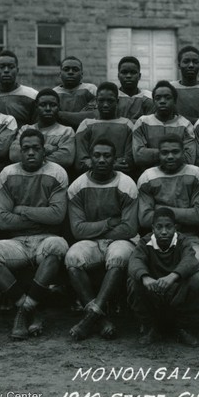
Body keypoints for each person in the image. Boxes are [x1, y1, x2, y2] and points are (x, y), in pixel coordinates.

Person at [0, 129, 70, 339]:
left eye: (36, 148)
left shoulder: (56, 172)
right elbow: (3, 220)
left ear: (44, 151)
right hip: (18, 241)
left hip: (46, 238)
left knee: (57, 246)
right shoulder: (8, 173)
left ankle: (22, 312)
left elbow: (56, 216)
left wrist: (21, 209)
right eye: (26, 149)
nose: (31, 153)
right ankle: (28, 307)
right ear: (20, 151)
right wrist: (41, 214)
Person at [65, 139, 139, 340]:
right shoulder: (77, 186)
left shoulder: (126, 184)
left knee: (118, 256)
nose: (101, 160)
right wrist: (108, 223)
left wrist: (95, 229)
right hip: (93, 241)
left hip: (121, 240)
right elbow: (78, 230)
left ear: (115, 159)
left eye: (107, 156)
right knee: (72, 258)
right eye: (96, 155)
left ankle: (91, 317)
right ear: (89, 158)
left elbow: (129, 227)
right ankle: (101, 318)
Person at [137, 134, 199, 288]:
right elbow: (145, 219)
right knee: (140, 273)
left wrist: (161, 210)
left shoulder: (195, 173)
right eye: (165, 153)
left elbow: (198, 216)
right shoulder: (147, 176)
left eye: (175, 152)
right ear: (158, 153)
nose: (170, 156)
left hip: (189, 237)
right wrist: (185, 213)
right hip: (155, 238)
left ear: (184, 152)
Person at [128, 208, 199, 346]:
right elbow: (135, 261)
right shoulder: (145, 242)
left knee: (196, 279)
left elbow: (191, 260)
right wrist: (145, 278)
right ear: (153, 228)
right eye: (159, 227)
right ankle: (150, 327)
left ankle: (182, 327)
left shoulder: (182, 241)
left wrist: (172, 276)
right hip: (154, 292)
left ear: (175, 227)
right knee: (134, 280)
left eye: (168, 227)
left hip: (175, 291)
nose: (164, 231)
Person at [132, 80, 196, 172]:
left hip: (179, 175)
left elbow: (189, 158)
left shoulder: (185, 124)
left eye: (167, 97)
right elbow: (138, 156)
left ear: (174, 101)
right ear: (153, 101)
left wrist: (151, 153)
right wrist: (174, 153)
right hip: (150, 175)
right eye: (158, 98)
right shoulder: (142, 122)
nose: (162, 101)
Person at [75, 82, 134, 175]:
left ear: (117, 102)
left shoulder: (127, 125)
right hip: (91, 177)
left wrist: (98, 164)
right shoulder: (86, 125)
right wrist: (112, 165)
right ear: (96, 101)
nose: (105, 105)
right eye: (101, 100)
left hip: (120, 177)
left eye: (110, 101)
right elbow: (81, 161)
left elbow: (128, 160)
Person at [10, 88, 75, 170]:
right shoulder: (25, 129)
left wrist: (31, 158)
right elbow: (14, 154)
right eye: (43, 105)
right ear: (36, 107)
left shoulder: (66, 131)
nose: (48, 108)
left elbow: (65, 159)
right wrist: (49, 148)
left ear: (58, 107)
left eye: (52, 105)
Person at [171, 45, 199, 125]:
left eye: (195, 62)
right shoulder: (170, 89)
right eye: (186, 61)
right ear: (179, 65)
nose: (191, 65)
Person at [53, 56, 98, 129]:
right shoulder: (54, 93)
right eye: (66, 69)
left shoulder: (91, 89)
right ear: (60, 74)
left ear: (82, 74)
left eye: (75, 69)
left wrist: (60, 115)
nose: (70, 72)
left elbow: (94, 116)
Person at [0, 49, 38, 127]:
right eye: (2, 67)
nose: (6, 70)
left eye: (11, 67)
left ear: (17, 70)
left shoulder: (32, 95)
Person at [116, 56, 155, 122]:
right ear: (118, 76)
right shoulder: (112, 98)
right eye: (124, 72)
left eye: (133, 72)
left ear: (139, 76)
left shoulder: (148, 99)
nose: (128, 76)